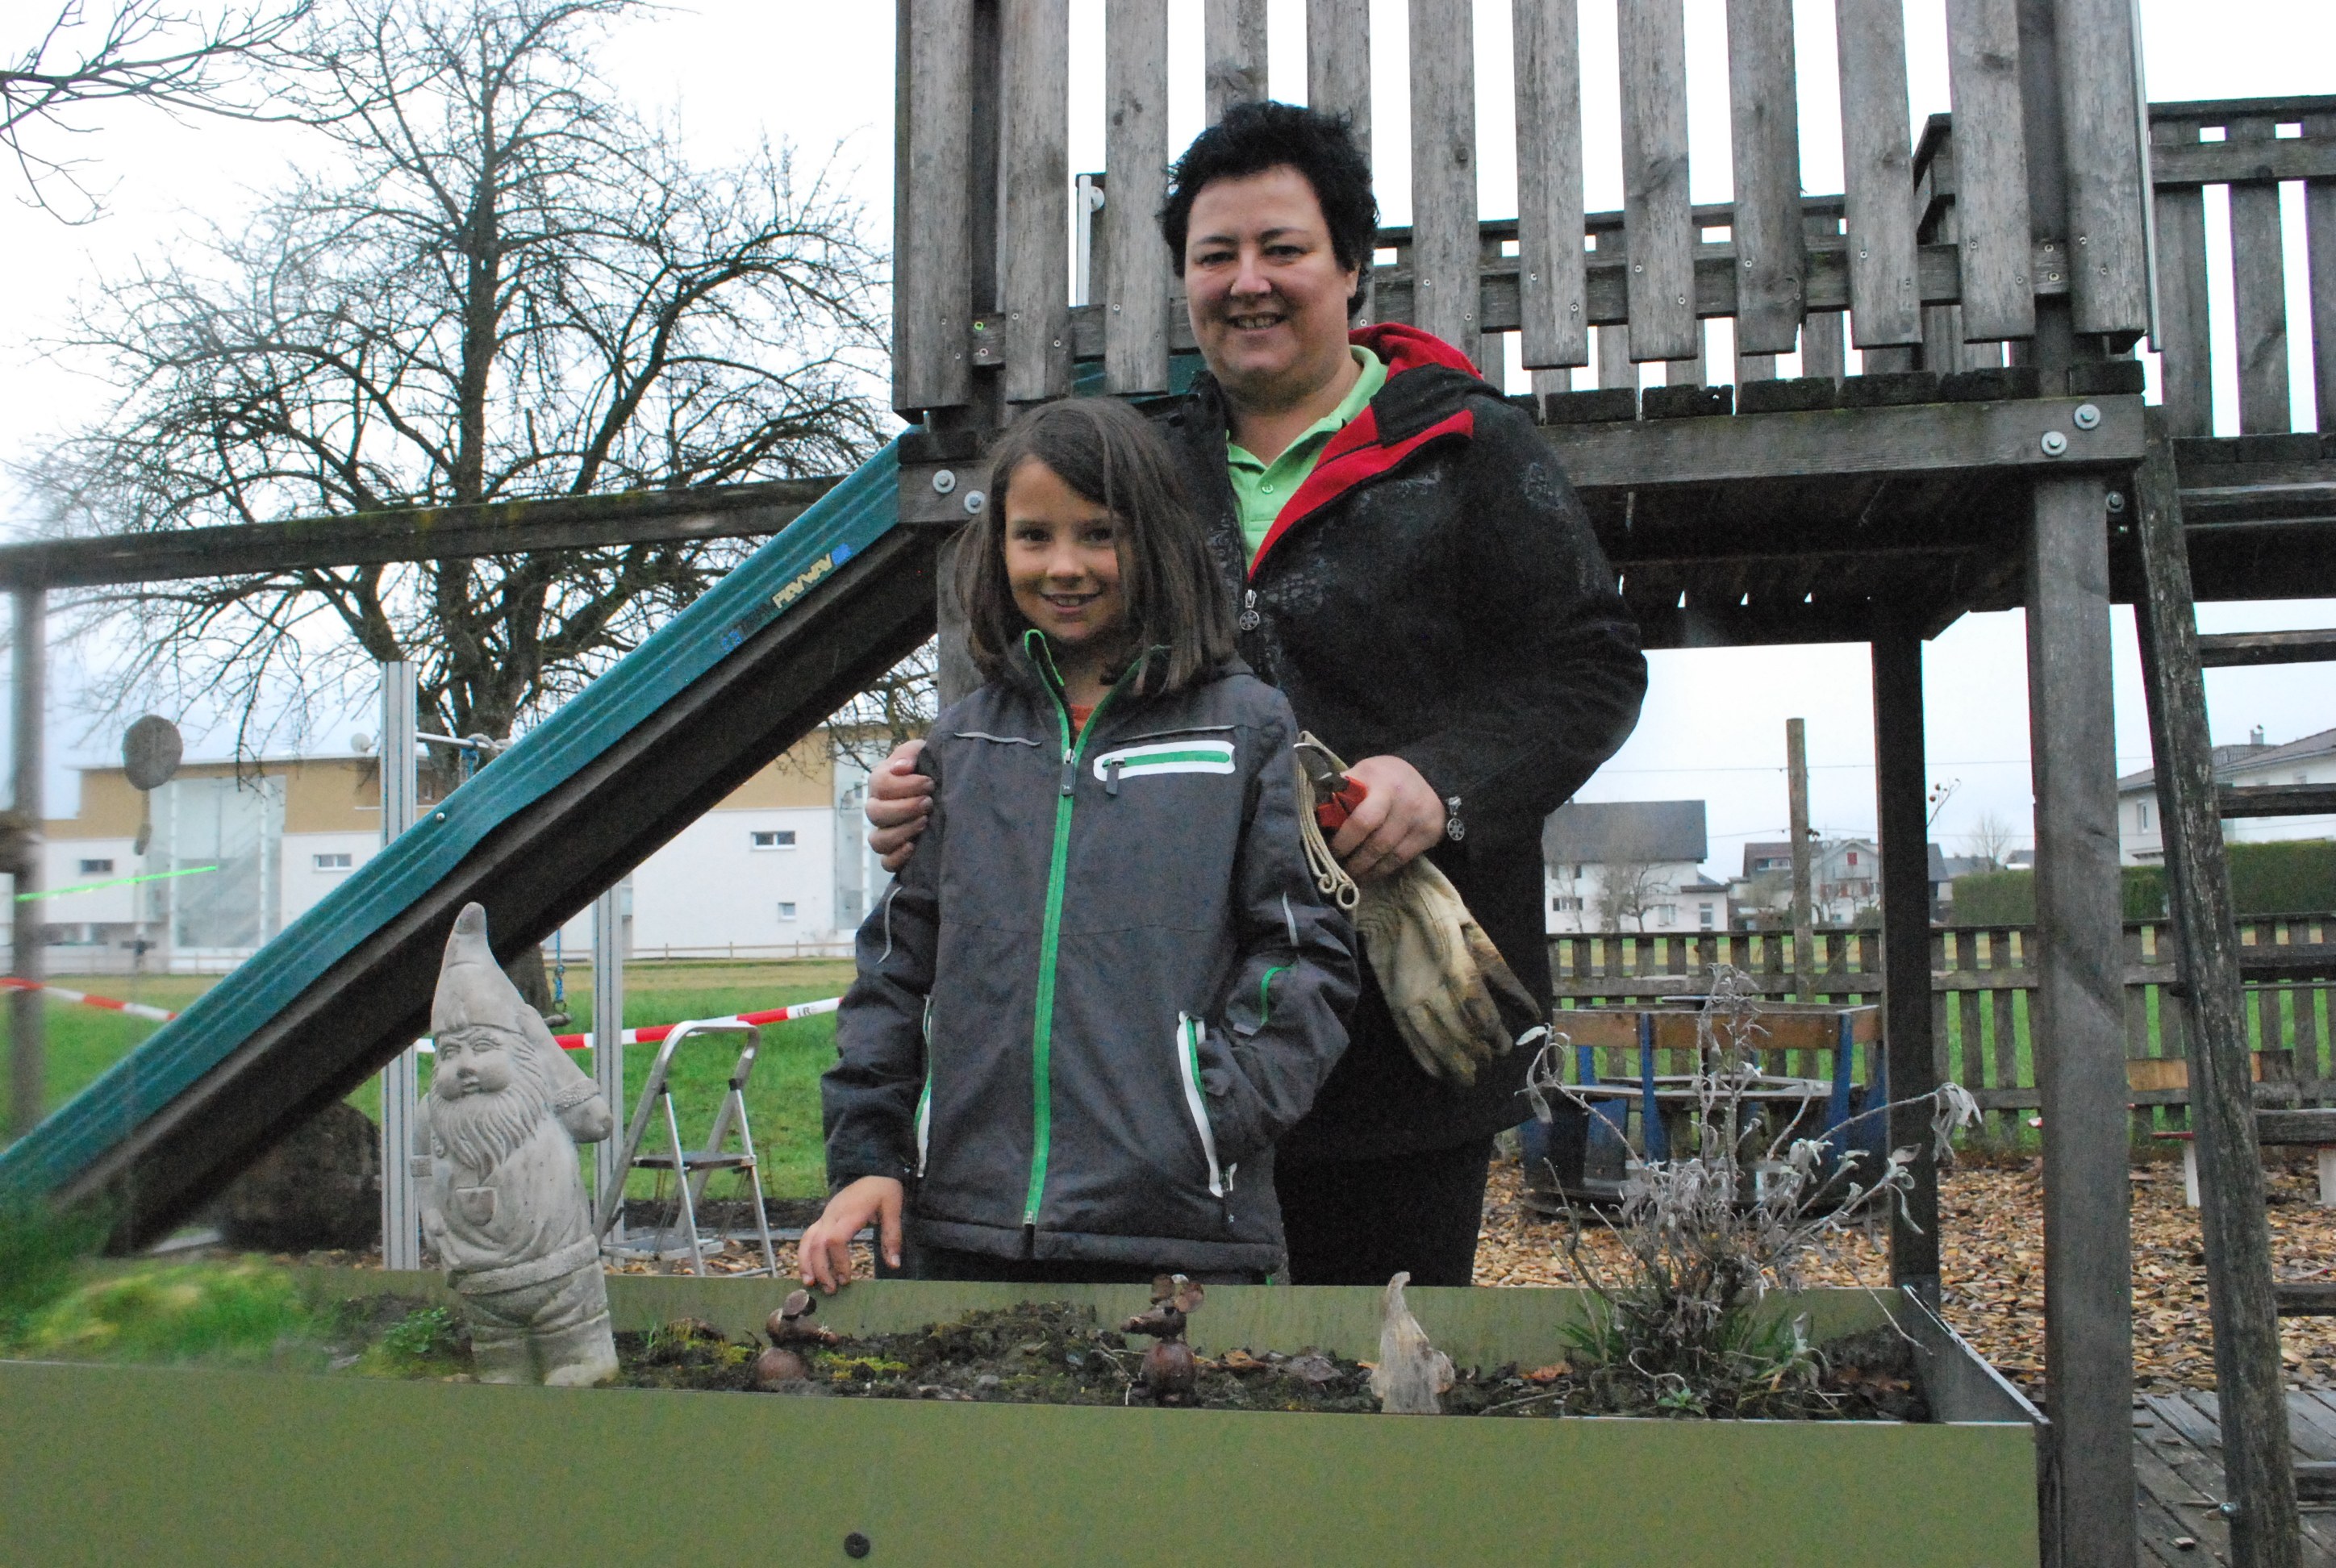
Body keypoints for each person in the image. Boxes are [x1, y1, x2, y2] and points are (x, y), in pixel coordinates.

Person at [867, 102, 1646, 1288]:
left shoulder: (1469, 453)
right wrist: (938, 791)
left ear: (1351, 266)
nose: (1248, 283)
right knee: (1162, 1389)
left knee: (1369, 1380)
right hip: (1147, 1068)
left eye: (1283, 249)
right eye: (1215, 255)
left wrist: (1442, 782)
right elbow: (1046, 683)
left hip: (1389, 1052)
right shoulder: (1144, 471)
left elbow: (1590, 668)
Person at [799, 397, 1358, 1291]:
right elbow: (896, 974)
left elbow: (1301, 959)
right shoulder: (962, 744)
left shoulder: (1246, 728)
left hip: (1180, 1238)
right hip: (962, 1230)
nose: (1065, 566)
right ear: (998, 549)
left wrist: (1203, 1116)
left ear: (1156, 541)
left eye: (1100, 534)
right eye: (1034, 536)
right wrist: (868, 1158)